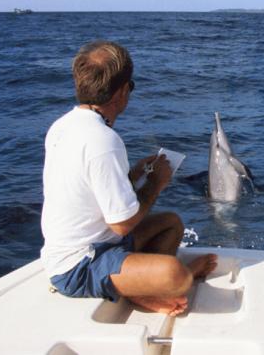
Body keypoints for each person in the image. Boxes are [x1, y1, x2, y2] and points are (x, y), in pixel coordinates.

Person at [40, 40, 217, 316]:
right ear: (121, 92)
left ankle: (140, 290)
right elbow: (123, 224)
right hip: (78, 266)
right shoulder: (103, 140)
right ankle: (148, 289)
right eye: (130, 87)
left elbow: (89, 186)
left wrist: (132, 176)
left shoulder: (63, 126)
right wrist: (156, 184)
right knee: (176, 275)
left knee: (171, 224)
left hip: (101, 243)